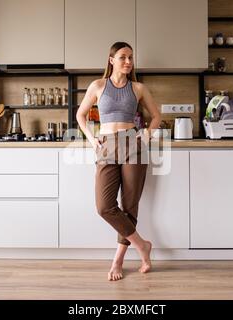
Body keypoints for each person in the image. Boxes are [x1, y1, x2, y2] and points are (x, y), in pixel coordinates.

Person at [76, 42, 161, 281]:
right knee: (104, 207)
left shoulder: (138, 88)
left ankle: (118, 260)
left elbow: (156, 117)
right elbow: (80, 115)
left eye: (131, 58)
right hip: (106, 145)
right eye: (123, 57)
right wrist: (92, 140)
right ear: (111, 59)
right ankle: (142, 245)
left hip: (132, 144)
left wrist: (146, 133)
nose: (128, 62)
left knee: (129, 206)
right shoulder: (98, 86)